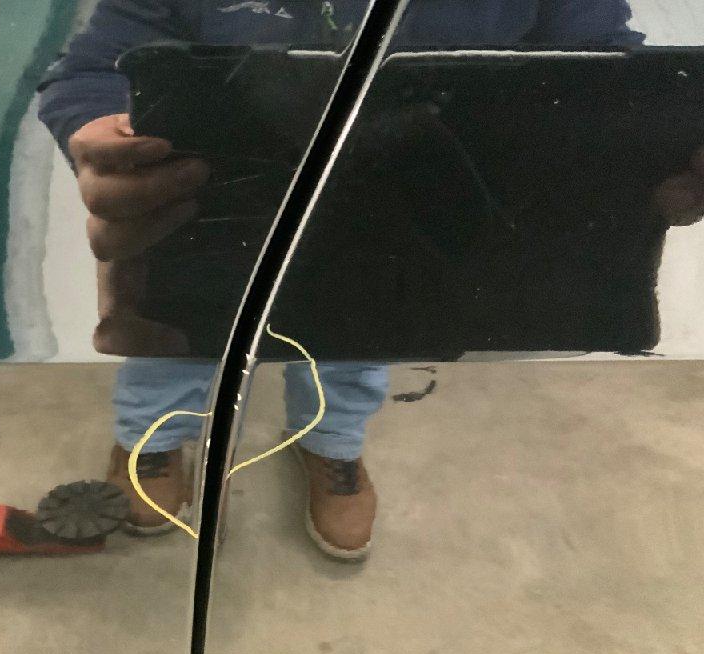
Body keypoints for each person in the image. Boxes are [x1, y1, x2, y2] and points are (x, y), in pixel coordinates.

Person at [39, 0, 704, 559]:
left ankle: (331, 441)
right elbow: (94, 68)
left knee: (358, 326)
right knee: (179, 322)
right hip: (218, 195)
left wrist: (662, 139)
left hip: (401, 194)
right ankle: (152, 437)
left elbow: (604, 66)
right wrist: (102, 132)